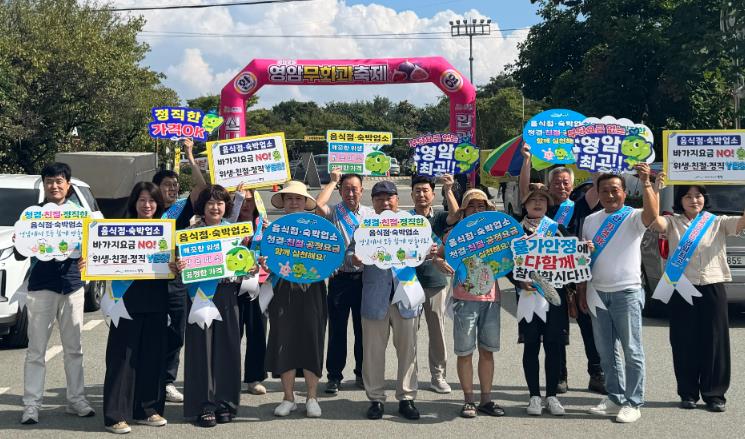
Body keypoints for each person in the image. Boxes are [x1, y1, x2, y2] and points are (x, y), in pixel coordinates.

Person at [93, 182, 185, 434]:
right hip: (125, 300)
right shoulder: (117, 230)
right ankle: (115, 415)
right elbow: (99, 259)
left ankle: (147, 409)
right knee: (122, 358)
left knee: (152, 356)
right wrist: (87, 262)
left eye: (152, 200)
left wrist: (178, 266)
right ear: (134, 202)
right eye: (142, 200)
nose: (147, 205)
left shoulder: (167, 231)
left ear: (158, 204)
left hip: (157, 300)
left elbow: (175, 267)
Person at [648, 183, 745, 412]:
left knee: (715, 341)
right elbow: (652, 219)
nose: (694, 200)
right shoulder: (672, 222)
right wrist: (651, 188)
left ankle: (715, 394)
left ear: (704, 198)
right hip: (681, 286)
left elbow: (742, 222)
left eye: (698, 195)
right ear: (680, 200)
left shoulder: (717, 221)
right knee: (684, 340)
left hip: (712, 284)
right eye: (688, 196)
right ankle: (688, 392)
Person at [519, 144, 605, 394]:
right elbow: (524, 191)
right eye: (556, 182)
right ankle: (559, 376)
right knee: (556, 331)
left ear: (572, 184)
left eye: (566, 182)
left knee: (588, 325)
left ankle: (596, 372)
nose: (561, 186)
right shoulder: (543, 208)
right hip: (549, 277)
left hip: (577, 276)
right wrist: (526, 160)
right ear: (549, 185)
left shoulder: (579, 205)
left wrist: (593, 157)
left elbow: (598, 186)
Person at [577, 164, 658, 423]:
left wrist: (646, 183)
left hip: (627, 292)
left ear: (624, 192)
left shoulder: (633, 216)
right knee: (606, 351)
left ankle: (634, 402)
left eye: (615, 190)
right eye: (604, 191)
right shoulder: (590, 220)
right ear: (597, 193)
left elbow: (652, 216)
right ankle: (614, 397)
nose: (610, 195)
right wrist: (581, 291)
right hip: (597, 292)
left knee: (632, 350)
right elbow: (583, 260)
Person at [16, 162, 95, 425]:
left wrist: (88, 259)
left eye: (59, 181)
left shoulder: (81, 216)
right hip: (41, 287)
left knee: (74, 348)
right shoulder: (33, 216)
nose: (54, 186)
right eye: (49, 181)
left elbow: (94, 250)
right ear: (44, 184)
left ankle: (76, 400)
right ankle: (31, 405)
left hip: (73, 285)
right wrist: (19, 242)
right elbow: (21, 253)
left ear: (68, 185)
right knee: (36, 349)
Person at [349, 181, 422, 421]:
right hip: (375, 298)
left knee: (408, 350)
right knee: (373, 352)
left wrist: (431, 252)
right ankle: (376, 399)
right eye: (379, 199)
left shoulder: (412, 224)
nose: (385, 202)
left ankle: (406, 397)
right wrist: (354, 259)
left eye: (389, 197)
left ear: (397, 199)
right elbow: (349, 253)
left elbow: (427, 249)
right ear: (373, 202)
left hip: (406, 295)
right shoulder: (365, 226)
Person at [437, 189, 505, 419]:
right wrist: (438, 261)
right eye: (472, 206)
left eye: (481, 205)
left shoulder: (496, 232)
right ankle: (468, 400)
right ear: (464, 210)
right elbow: (439, 255)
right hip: (464, 299)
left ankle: (486, 399)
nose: (476, 210)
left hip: (491, 298)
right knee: (465, 352)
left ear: (487, 209)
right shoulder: (455, 234)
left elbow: (511, 255)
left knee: (488, 351)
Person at [263, 181, 328, 418]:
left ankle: (312, 397)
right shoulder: (272, 229)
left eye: (298, 198)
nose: (293, 202)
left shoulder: (318, 228)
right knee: (284, 341)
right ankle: (288, 397)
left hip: (313, 290)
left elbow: (331, 256)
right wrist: (264, 264)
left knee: (312, 341)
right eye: (289, 198)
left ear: (305, 202)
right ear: (283, 202)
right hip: (282, 290)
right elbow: (263, 259)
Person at [183, 185, 243, 427]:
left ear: (226, 206)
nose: (215, 207)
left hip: (227, 293)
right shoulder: (190, 233)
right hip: (200, 295)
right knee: (201, 350)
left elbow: (243, 263)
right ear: (203, 206)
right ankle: (204, 405)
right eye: (210, 203)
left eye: (220, 203)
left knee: (228, 348)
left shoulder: (235, 231)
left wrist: (250, 266)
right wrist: (180, 264)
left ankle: (224, 403)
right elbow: (181, 266)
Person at [153, 137, 208, 403]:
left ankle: (167, 381)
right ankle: (146, 377)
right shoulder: (146, 210)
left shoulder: (181, 208)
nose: (173, 189)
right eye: (167, 185)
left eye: (175, 185)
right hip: (148, 279)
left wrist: (189, 154)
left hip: (176, 279)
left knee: (176, 331)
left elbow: (201, 188)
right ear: (155, 188)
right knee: (150, 330)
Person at [512, 184, 569, 417]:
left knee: (554, 345)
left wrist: (584, 250)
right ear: (524, 204)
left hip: (554, 296)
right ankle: (534, 395)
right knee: (531, 345)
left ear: (548, 204)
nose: (538, 203)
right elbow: (506, 263)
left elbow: (571, 259)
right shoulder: (516, 231)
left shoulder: (558, 229)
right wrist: (518, 281)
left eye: (542, 200)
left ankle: (552, 396)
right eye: (533, 199)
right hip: (527, 296)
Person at [315, 169, 374, 394]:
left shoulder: (370, 214)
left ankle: (361, 373)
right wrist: (332, 182)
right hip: (340, 279)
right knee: (337, 330)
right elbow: (318, 205)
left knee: (362, 330)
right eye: (346, 189)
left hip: (364, 280)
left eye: (354, 189)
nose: (350, 193)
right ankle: (334, 376)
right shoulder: (334, 212)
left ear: (362, 191)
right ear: (340, 191)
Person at [409, 175, 460, 393]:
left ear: (432, 193)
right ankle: (410, 378)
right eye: (417, 190)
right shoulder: (404, 218)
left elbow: (456, 216)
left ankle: (438, 376)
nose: (421, 194)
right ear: (411, 194)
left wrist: (448, 190)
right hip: (408, 283)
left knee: (437, 331)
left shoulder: (438, 217)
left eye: (425, 190)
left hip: (435, 281)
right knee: (409, 332)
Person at [234, 186, 268, 396]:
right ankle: (228, 376)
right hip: (232, 285)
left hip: (259, 283)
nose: (246, 205)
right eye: (242, 200)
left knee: (258, 331)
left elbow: (273, 251)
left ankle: (254, 377)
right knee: (232, 333)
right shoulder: (227, 223)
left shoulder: (263, 223)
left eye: (250, 200)